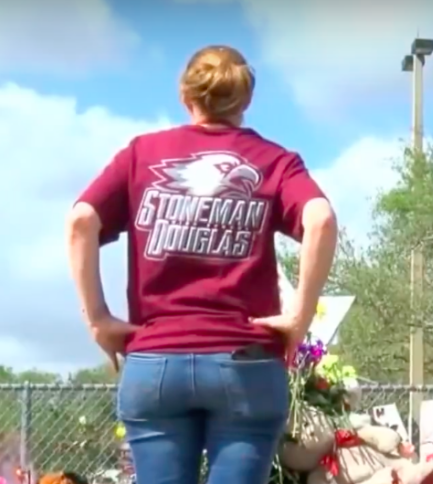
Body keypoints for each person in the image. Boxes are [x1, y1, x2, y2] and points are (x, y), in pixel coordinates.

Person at [66, 45, 338, 484]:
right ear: (246, 101)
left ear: (185, 96)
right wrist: (298, 319)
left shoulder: (141, 154)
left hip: (155, 361)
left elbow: (81, 220)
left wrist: (98, 320)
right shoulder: (274, 161)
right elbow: (320, 218)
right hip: (245, 362)